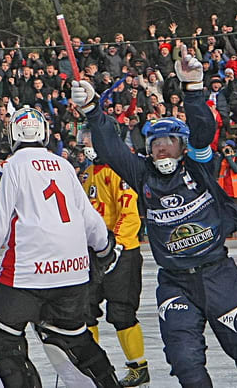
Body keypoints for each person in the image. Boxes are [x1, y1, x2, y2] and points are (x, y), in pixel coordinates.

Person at [72, 44, 237, 386]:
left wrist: (193, 89)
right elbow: (111, 149)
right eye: (155, 143)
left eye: (169, 141)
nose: (161, 147)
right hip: (175, 282)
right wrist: (93, 110)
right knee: (184, 362)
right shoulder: (143, 175)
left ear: (182, 146)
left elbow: (202, 130)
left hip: (218, 275)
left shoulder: (198, 167)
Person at [0, 106, 120, 387]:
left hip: (27, 274)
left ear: (13, 135)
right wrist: (104, 250)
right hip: (73, 274)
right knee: (74, 337)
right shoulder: (64, 166)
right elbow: (90, 220)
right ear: (43, 133)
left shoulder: (9, 168)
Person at [78, 124, 150, 386]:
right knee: (85, 311)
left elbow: (129, 213)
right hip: (94, 253)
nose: (85, 144)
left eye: (90, 139)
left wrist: (115, 245)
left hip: (122, 253)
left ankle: (138, 367)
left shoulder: (120, 172)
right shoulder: (87, 174)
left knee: (121, 312)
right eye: (85, 139)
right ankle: (91, 367)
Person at [217, 139, 237, 238]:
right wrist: (222, 157)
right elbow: (216, 170)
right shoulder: (223, 160)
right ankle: (228, 233)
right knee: (227, 214)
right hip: (225, 192)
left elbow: (236, 169)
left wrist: (230, 158)